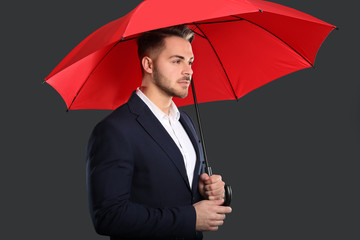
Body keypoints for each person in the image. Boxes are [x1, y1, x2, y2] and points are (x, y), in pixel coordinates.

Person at [86, 25, 232, 240]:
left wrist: (205, 190)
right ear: (148, 64)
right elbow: (108, 216)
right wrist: (189, 218)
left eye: (190, 62)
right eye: (176, 61)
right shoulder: (114, 130)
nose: (188, 71)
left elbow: (172, 186)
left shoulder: (185, 122)